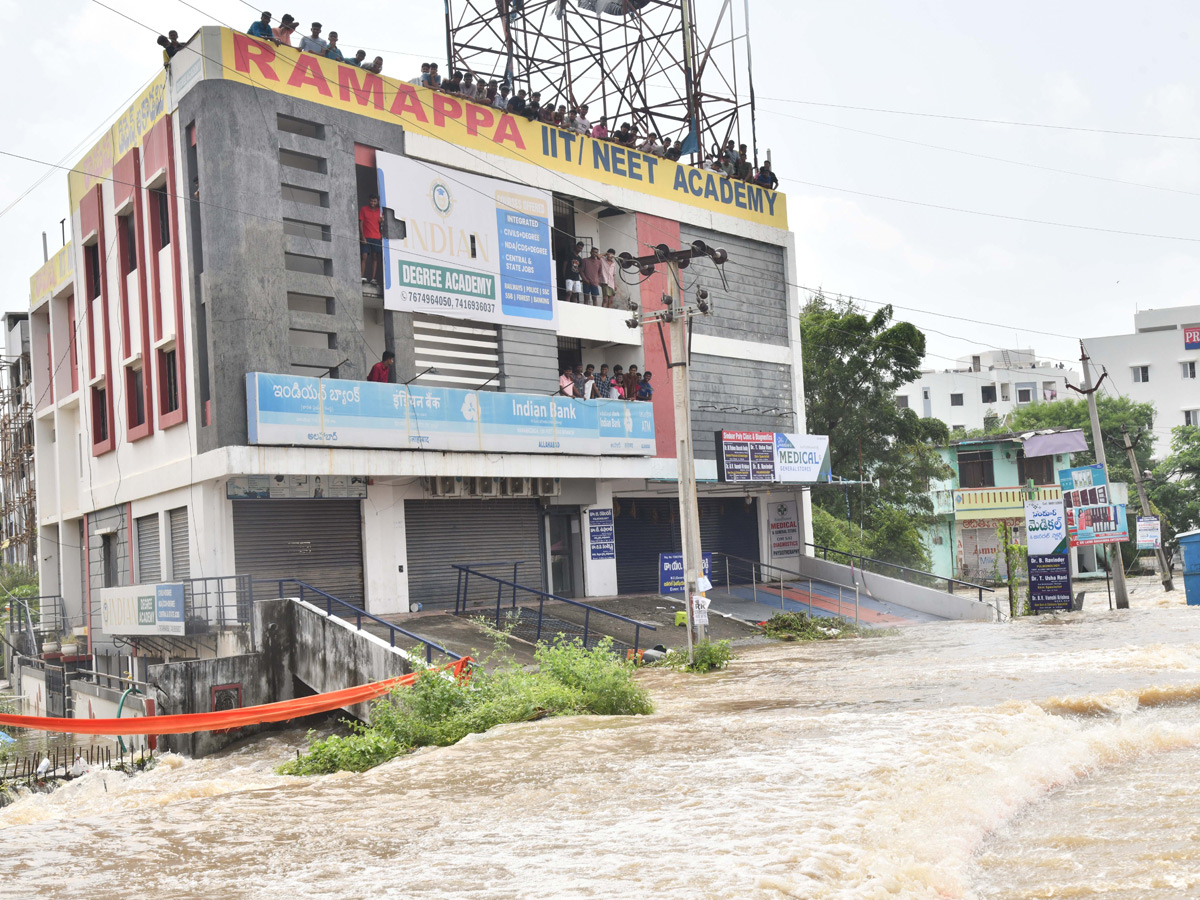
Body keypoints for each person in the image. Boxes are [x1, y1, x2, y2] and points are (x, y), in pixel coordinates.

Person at [359, 195, 382, 285]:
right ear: (369, 201)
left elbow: (382, 223)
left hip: (376, 237)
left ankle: (373, 278)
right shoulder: (364, 209)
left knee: (375, 257)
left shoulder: (380, 212)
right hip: (366, 237)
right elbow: (361, 223)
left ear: (377, 202)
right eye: (371, 201)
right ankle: (362, 276)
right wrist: (362, 236)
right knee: (364, 256)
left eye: (375, 201)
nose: (373, 203)